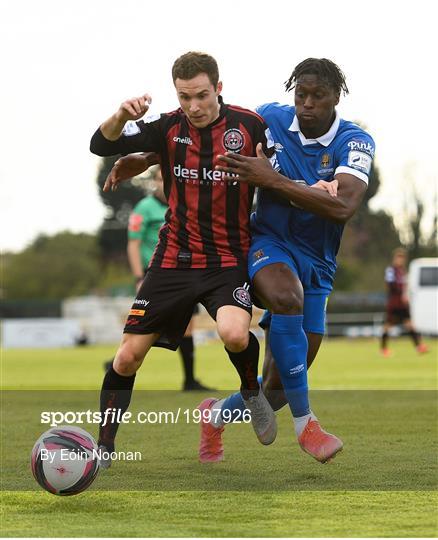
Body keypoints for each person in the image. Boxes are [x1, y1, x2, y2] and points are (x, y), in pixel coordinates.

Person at [105, 58, 366, 465]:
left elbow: (343, 207)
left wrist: (271, 178)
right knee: (284, 296)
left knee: (276, 389)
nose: (307, 105)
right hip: (268, 243)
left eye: (318, 96)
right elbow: (206, 140)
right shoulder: (269, 118)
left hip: (320, 261)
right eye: (301, 95)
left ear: (338, 97)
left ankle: (215, 415)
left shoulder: (355, 141)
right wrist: (148, 157)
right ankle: (307, 424)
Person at [89, 51, 277, 468]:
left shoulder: (250, 126)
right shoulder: (168, 127)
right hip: (173, 259)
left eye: (202, 95)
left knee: (233, 333)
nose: (194, 106)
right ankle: (104, 446)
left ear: (219, 89)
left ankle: (250, 391)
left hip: (227, 258)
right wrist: (122, 114)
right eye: (185, 96)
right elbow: (100, 144)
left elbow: (283, 168)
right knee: (126, 358)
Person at [127, 165, 212, 391]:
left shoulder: (184, 205)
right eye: (159, 178)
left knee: (187, 327)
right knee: (148, 326)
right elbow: (133, 243)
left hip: (183, 270)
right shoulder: (144, 208)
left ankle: (190, 380)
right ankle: (120, 363)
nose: (163, 182)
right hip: (154, 273)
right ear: (154, 182)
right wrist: (138, 277)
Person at [380, 247, 429, 357]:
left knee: (409, 324)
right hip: (394, 302)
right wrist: (399, 294)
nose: (400, 260)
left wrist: (405, 296)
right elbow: (390, 285)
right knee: (388, 326)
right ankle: (383, 349)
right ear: (395, 258)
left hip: (402, 303)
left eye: (402, 258)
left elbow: (405, 286)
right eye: (399, 258)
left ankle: (419, 346)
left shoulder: (402, 271)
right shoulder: (391, 270)